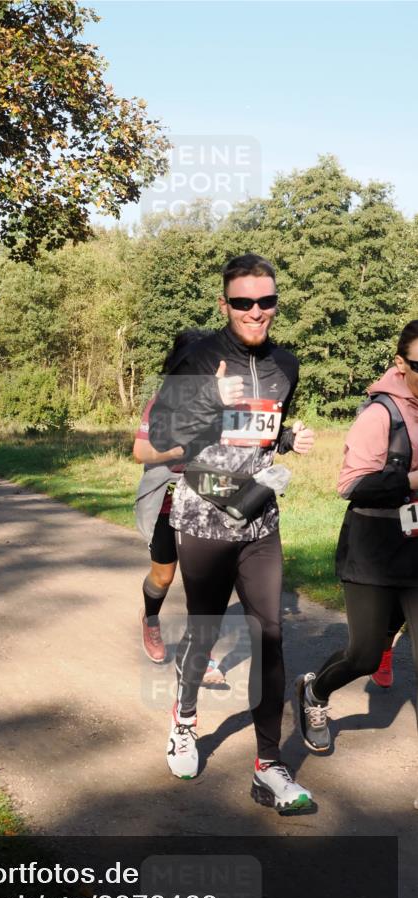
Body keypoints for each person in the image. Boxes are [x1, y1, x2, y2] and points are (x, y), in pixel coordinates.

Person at [149, 253, 316, 815]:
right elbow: (162, 435)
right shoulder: (198, 358)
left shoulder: (285, 364)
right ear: (225, 304)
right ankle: (184, 720)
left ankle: (269, 764)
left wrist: (288, 439)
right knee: (204, 629)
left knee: (270, 635)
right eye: (243, 301)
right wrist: (208, 397)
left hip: (260, 518)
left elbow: (259, 430)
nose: (255, 311)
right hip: (203, 517)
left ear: (275, 303)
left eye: (266, 301)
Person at [296, 320, 418, 754]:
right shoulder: (380, 415)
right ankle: (315, 693)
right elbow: (350, 485)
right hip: (374, 549)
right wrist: (413, 480)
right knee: (364, 656)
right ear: (401, 364)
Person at [134, 331, 224, 684]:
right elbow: (140, 452)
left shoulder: (222, 402)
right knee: (163, 576)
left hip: (205, 497)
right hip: (167, 498)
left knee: (203, 578)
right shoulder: (163, 401)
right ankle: (150, 620)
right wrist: (175, 452)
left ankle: (201, 652)